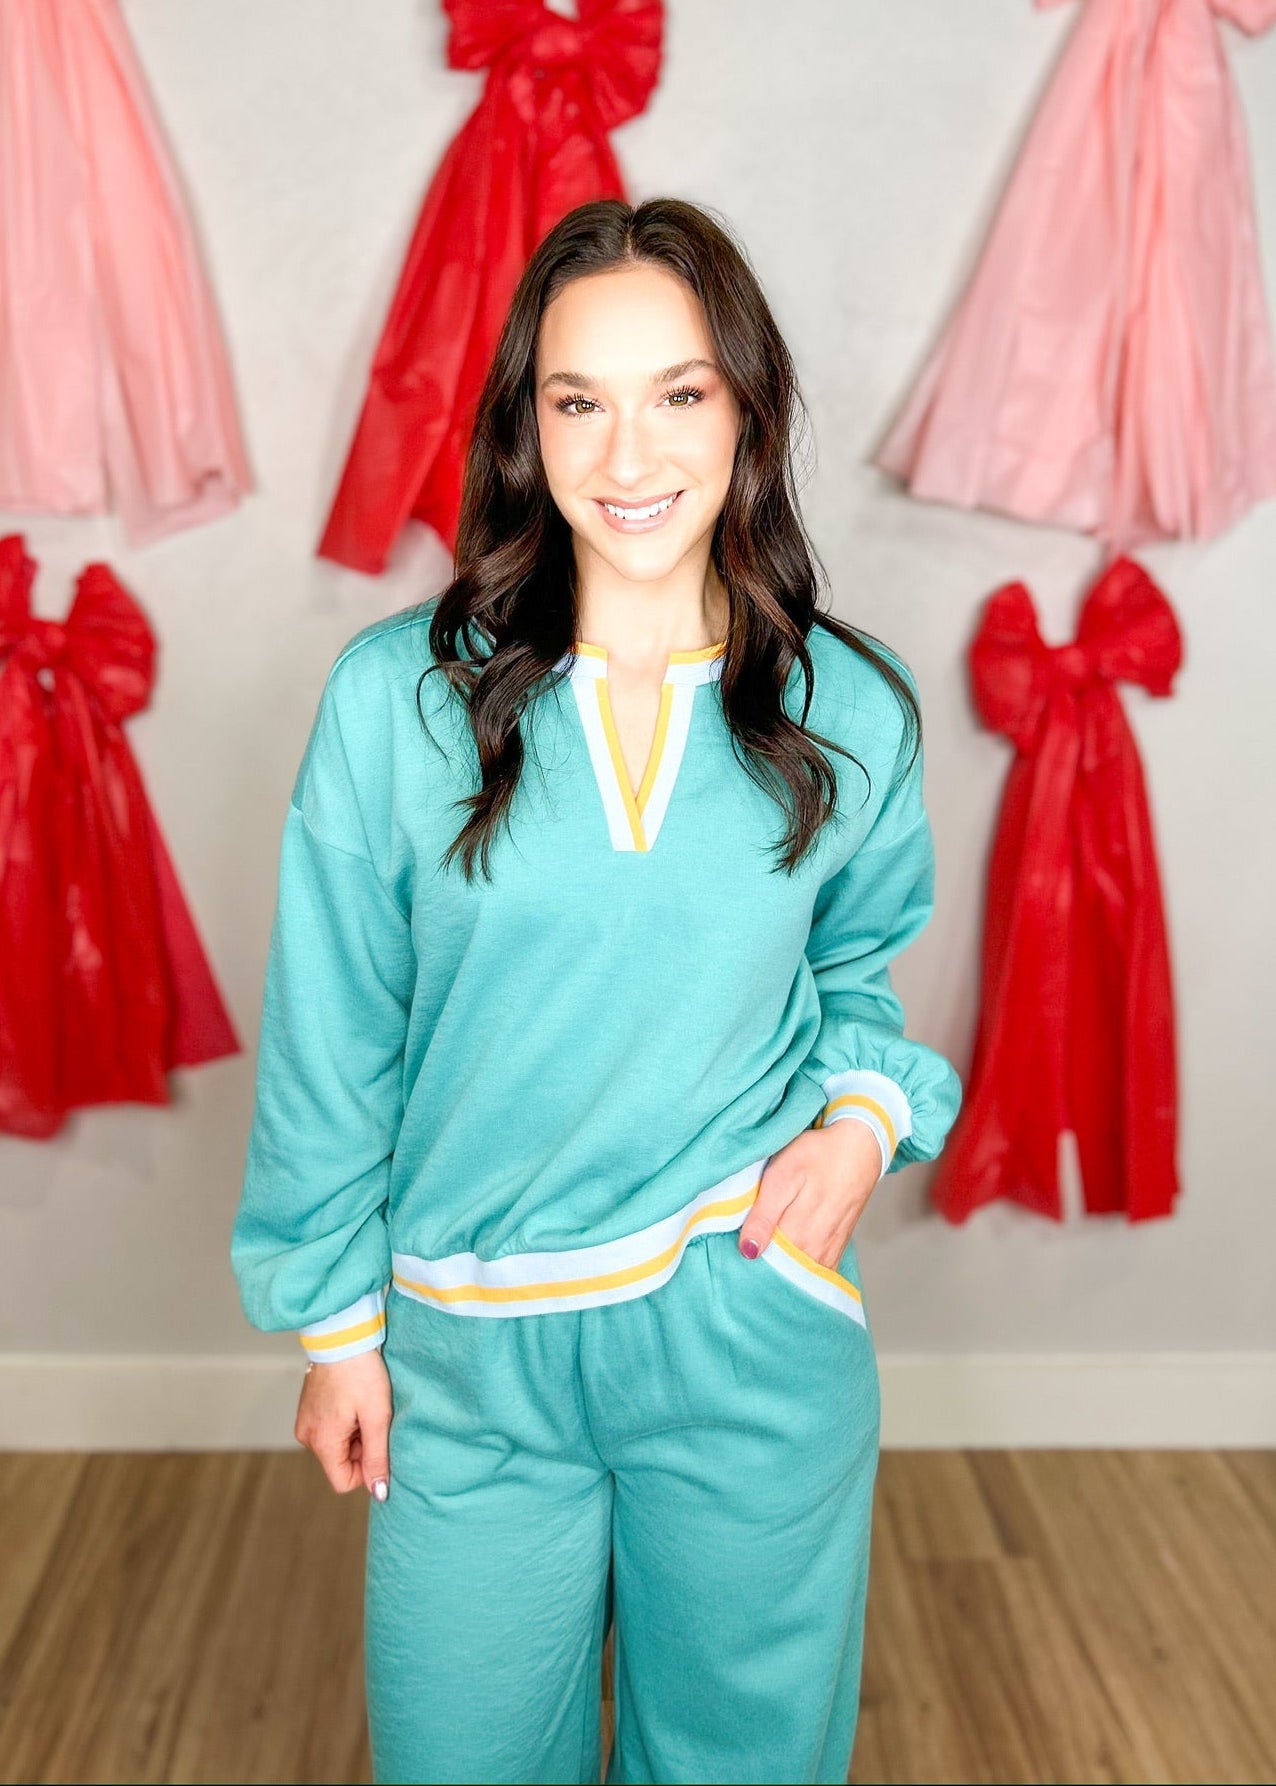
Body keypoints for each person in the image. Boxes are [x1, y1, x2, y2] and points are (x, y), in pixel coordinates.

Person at [230, 196, 962, 1786]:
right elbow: (330, 1036)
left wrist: (859, 1125)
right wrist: (335, 1325)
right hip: (467, 1358)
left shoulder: (851, 708)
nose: (630, 453)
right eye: (580, 401)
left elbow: (861, 975)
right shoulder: (394, 702)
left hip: (745, 1332)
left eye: (679, 393)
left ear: (747, 408)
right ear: (528, 426)